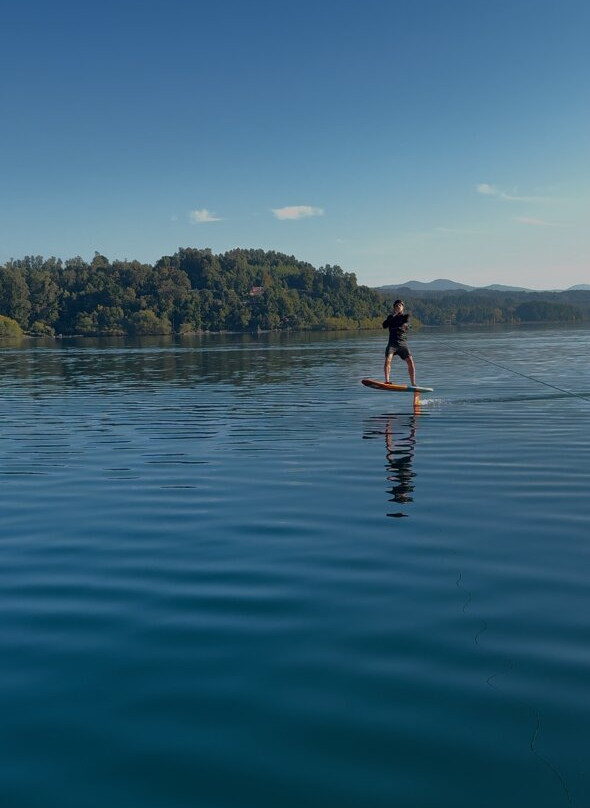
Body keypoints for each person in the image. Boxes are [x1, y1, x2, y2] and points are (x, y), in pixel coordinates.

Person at [383, 299, 416, 385]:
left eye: (400, 305)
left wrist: (406, 325)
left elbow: (409, 323)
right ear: (394, 308)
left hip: (402, 344)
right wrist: (393, 316)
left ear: (402, 307)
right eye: (396, 306)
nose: (398, 307)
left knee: (410, 361)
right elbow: (384, 325)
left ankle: (413, 383)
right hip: (392, 344)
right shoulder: (391, 317)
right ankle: (387, 381)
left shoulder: (406, 316)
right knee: (388, 360)